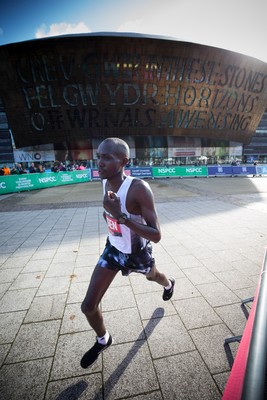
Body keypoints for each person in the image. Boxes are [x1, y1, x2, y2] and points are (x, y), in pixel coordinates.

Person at [80, 137, 175, 369]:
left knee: (154, 276)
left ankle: (168, 284)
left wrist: (121, 216)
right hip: (113, 249)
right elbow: (111, 214)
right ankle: (103, 339)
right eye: (99, 157)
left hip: (137, 253)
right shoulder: (105, 182)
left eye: (107, 158)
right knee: (88, 306)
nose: (99, 162)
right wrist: (111, 218)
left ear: (123, 161)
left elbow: (156, 235)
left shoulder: (138, 189)